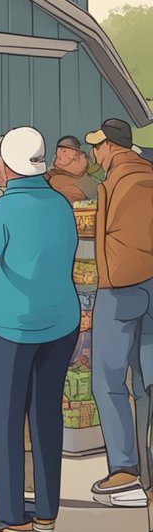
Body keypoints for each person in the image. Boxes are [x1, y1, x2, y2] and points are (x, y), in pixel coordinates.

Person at [0, 127, 80, 532]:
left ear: (6, 166)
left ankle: (13, 515)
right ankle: (48, 510)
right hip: (61, 322)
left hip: (11, 326)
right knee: (47, 415)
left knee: (6, 419)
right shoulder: (61, 206)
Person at [85, 118, 153, 508]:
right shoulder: (150, 175)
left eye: (98, 146)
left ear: (112, 147)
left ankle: (125, 470)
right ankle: (148, 469)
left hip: (120, 288)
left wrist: (105, 281)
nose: (96, 153)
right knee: (147, 383)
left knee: (108, 381)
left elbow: (106, 236)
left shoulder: (112, 183)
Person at [45, 135, 99, 204]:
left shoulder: (86, 180)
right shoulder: (51, 173)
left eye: (64, 151)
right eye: (59, 152)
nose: (60, 156)